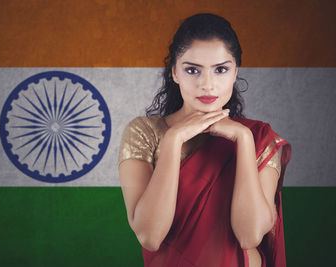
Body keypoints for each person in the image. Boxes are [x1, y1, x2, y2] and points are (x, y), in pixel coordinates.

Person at [117, 13, 291, 267]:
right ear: (175, 73)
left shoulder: (258, 137)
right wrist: (174, 140)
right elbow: (150, 236)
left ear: (235, 73)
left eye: (220, 69)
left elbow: (249, 235)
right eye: (192, 70)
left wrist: (242, 140)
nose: (207, 85)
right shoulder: (145, 132)